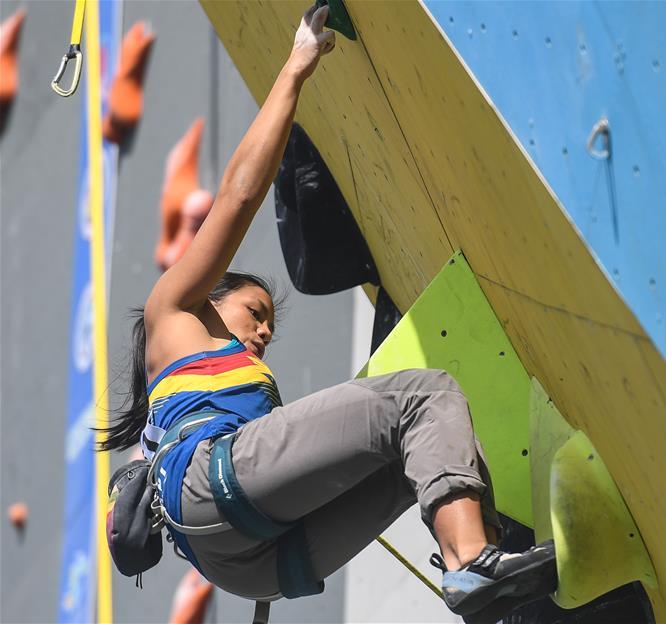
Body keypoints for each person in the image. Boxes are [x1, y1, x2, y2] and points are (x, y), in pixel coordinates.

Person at [99, 6, 556, 621]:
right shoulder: (175, 311)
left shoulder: (190, 408)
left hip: (248, 562)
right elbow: (237, 195)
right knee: (425, 397)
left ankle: (493, 590)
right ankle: (470, 563)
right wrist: (296, 66)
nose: (263, 330)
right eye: (254, 311)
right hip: (215, 491)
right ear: (211, 295)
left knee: (417, 458)